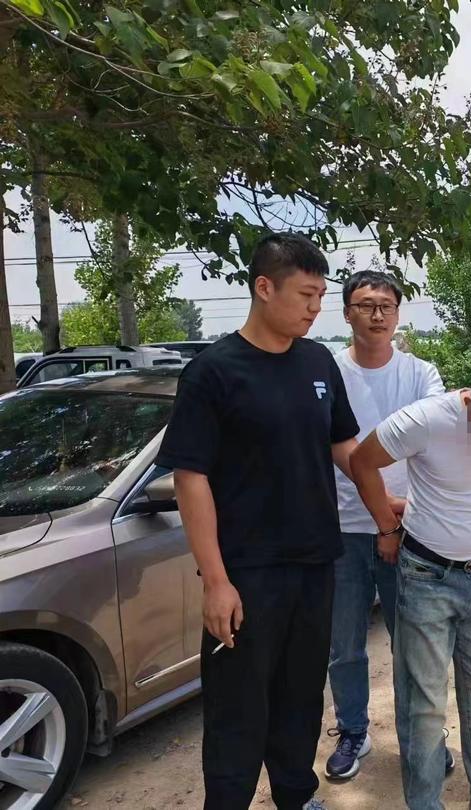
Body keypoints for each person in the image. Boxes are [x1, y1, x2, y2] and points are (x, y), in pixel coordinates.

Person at [157, 233, 359, 810]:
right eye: (305, 295)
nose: (315, 308)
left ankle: (297, 795)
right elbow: (190, 478)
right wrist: (216, 581)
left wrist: (393, 495)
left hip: (315, 563)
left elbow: (345, 447)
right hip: (247, 573)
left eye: (320, 296)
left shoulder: (318, 362)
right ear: (264, 287)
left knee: (301, 697)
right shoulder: (214, 371)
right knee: (238, 708)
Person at [349, 356, 471, 810]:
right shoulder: (428, 419)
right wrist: (385, 525)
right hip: (427, 579)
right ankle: (424, 803)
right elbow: (362, 461)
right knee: (424, 704)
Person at [325, 270, 445, 780]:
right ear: (346, 313)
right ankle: (353, 731)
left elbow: (434, 437)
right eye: (365, 305)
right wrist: (381, 512)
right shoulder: (328, 373)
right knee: (344, 646)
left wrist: (395, 516)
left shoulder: (420, 374)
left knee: (413, 645)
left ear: (398, 314)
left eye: (386, 306)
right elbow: (334, 446)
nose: (377, 315)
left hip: (411, 528)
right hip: (343, 529)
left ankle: (421, 738)